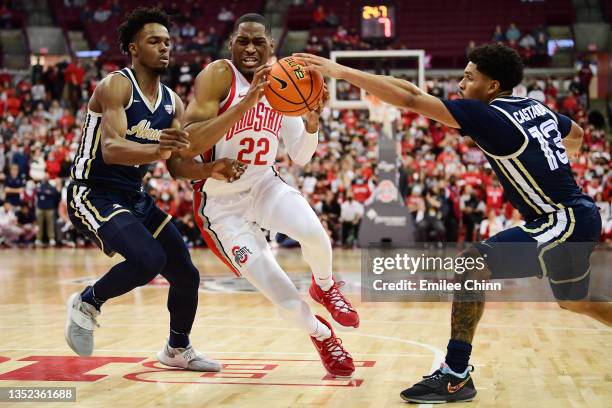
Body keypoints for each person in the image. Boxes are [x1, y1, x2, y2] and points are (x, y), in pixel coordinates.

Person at [295, 44, 608, 402]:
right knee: (576, 302)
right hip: (576, 215)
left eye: (468, 77)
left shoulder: (487, 115)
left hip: (561, 219)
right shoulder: (534, 107)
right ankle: (456, 373)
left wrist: (343, 73)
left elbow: (411, 98)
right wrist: (564, 156)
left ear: (492, 86)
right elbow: (578, 134)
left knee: (470, 265)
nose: (460, 83)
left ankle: (456, 373)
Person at [177, 13, 358, 378]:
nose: (250, 48)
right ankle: (322, 335)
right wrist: (246, 104)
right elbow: (189, 143)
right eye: (243, 40)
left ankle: (325, 287)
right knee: (283, 296)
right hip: (221, 206)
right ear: (231, 44)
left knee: (313, 232)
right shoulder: (218, 76)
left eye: (258, 41)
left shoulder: (284, 80)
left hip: (263, 184)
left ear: (271, 46)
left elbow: (301, 155)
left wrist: (311, 120)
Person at [64, 7, 245, 372]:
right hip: (92, 191)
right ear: (133, 48)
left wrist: (211, 168)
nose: (165, 48)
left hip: (134, 196)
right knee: (148, 260)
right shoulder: (115, 85)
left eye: (167, 42)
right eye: (154, 41)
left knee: (186, 275)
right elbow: (112, 149)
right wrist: (159, 148)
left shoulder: (172, 102)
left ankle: (177, 348)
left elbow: (175, 164)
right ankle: (87, 301)